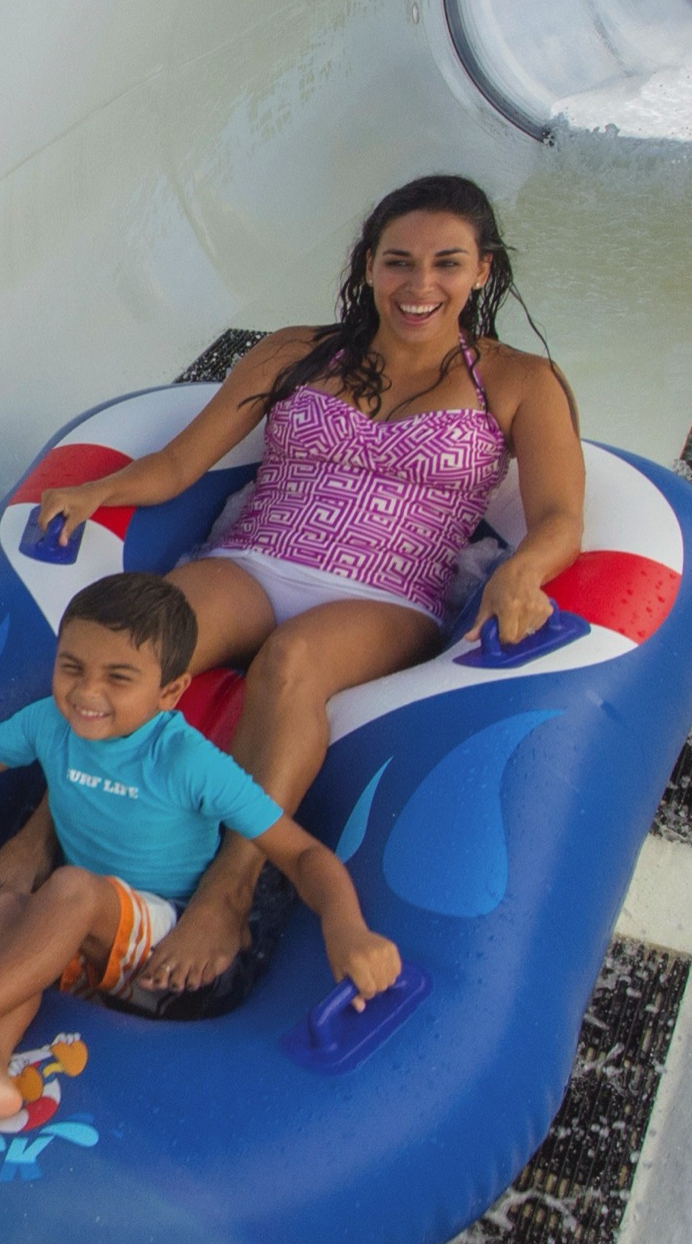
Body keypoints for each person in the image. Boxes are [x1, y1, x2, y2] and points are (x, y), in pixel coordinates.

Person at [28, 174, 581, 996]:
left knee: (289, 663)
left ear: (482, 270)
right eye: (398, 262)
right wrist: (94, 492)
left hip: (387, 595)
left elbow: (560, 517)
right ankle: (38, 834)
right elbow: (180, 463)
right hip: (255, 558)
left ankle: (229, 891)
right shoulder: (294, 351)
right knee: (135, 644)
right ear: (368, 265)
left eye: (446, 263)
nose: (419, 285)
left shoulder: (521, 379)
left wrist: (522, 572)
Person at [0, 572, 400, 1122]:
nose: (87, 692)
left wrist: (347, 928)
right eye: (72, 667)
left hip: (168, 947)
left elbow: (301, 854)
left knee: (69, 887)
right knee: (10, 897)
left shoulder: (187, 762)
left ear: (170, 693)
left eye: (119, 677)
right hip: (88, 924)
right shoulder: (48, 723)